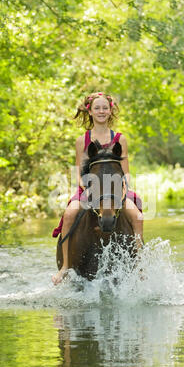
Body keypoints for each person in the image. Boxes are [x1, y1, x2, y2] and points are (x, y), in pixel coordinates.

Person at [52, 92, 143, 284]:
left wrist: (125, 188)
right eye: (97, 108)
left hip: (116, 188)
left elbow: (125, 171)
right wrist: (86, 187)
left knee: (137, 216)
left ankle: (140, 266)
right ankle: (65, 267)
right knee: (69, 214)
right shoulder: (81, 140)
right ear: (90, 111)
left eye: (105, 108)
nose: (101, 111)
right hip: (90, 187)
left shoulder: (120, 139)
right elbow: (79, 171)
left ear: (110, 111)